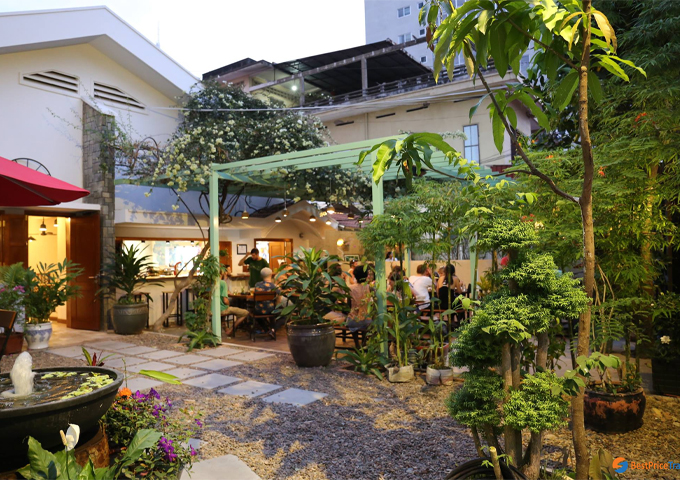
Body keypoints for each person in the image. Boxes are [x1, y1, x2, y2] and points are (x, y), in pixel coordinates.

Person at [346, 264, 375, 348]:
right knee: (367, 319)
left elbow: (348, 305)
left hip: (353, 321)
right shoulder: (369, 287)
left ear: (354, 275)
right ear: (366, 276)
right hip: (367, 321)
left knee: (350, 318)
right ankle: (364, 342)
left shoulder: (350, 288)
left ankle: (356, 344)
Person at [219, 270, 250, 338]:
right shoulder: (222, 283)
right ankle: (231, 330)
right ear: (221, 274)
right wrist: (228, 304)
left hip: (212, 309)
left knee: (223, 315)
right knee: (245, 312)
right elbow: (225, 301)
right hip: (222, 309)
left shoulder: (210, 283)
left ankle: (227, 330)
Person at [253, 267, 279, 339]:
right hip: (271, 310)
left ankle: (267, 329)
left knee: (253, 313)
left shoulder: (257, 285)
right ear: (271, 275)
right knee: (283, 315)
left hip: (258, 310)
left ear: (261, 276)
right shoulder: (274, 286)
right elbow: (279, 295)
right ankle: (273, 330)